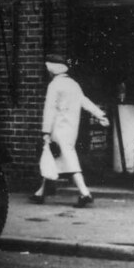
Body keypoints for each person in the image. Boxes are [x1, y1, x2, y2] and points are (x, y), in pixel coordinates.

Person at [31, 54, 110, 208]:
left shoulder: (54, 85)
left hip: (57, 129)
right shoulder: (74, 84)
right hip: (71, 129)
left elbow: (50, 109)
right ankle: (40, 193)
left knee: (68, 160)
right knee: (51, 159)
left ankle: (84, 193)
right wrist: (100, 115)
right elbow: (84, 101)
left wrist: (45, 131)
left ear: (52, 69)